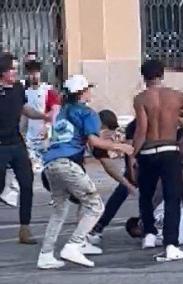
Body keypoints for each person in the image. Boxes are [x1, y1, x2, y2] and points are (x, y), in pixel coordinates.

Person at [37, 74, 134, 269]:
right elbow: (95, 142)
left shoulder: (63, 112)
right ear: (82, 93)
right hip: (68, 163)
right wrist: (121, 147)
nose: (91, 91)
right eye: (88, 88)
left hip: (50, 164)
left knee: (59, 210)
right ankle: (75, 244)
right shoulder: (87, 113)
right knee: (95, 205)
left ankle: (46, 254)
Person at [132, 59, 183, 261]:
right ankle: (171, 244)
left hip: (148, 150)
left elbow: (141, 130)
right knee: (172, 198)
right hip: (169, 149)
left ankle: (149, 233)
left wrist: (133, 154)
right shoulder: (176, 96)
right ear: (162, 75)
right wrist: (181, 111)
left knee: (146, 194)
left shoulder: (140, 99)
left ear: (144, 77)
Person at [0, 52, 50, 244]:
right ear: (2, 72)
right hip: (0, 145)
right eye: (11, 68)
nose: (15, 72)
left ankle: (25, 228)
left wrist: (42, 116)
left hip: (16, 143)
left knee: (27, 183)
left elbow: (24, 109)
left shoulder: (19, 88)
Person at [87, 112, 139, 244]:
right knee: (89, 201)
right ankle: (85, 235)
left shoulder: (99, 140)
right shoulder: (93, 135)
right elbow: (110, 166)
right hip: (66, 166)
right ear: (101, 126)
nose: (112, 136)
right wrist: (129, 182)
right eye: (110, 130)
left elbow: (109, 165)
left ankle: (90, 231)